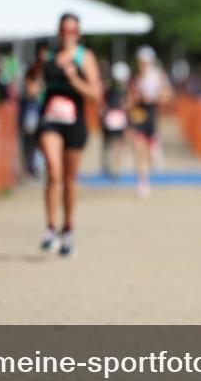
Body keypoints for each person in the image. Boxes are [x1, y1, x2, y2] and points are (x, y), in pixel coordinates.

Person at [37, 13, 103, 256]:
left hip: (75, 122)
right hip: (50, 120)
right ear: (59, 31)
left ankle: (68, 229)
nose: (68, 35)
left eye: (73, 31)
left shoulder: (84, 57)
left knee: (68, 180)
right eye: (65, 30)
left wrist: (74, 77)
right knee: (53, 171)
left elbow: (95, 94)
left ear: (79, 33)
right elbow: (34, 84)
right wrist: (36, 74)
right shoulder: (48, 55)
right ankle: (50, 227)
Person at [128, 45, 172, 198]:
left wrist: (154, 98)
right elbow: (129, 98)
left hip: (151, 112)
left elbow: (167, 95)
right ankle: (142, 181)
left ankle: (155, 147)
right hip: (138, 114)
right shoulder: (135, 77)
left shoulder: (158, 76)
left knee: (148, 150)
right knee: (138, 148)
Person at [20, 42, 48, 177]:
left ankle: (39, 167)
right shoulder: (33, 70)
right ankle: (31, 167)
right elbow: (30, 90)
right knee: (31, 138)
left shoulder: (50, 69)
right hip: (33, 109)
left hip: (46, 109)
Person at [101, 60, 131, 178]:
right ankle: (111, 166)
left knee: (117, 145)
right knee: (112, 144)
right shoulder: (109, 89)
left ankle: (116, 168)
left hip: (118, 119)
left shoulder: (123, 90)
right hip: (112, 120)